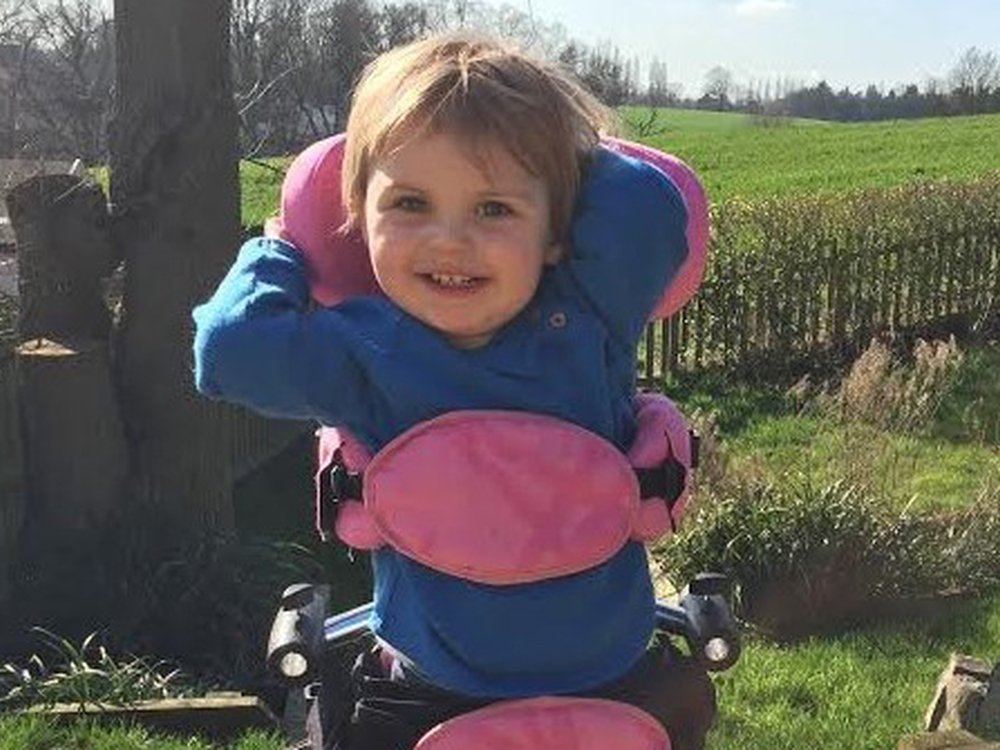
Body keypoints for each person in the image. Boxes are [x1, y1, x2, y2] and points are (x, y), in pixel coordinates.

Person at [193, 31, 714, 750]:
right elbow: (653, 209)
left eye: (494, 209)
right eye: (410, 202)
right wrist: (564, 154)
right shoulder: (591, 316)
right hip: (608, 683)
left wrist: (283, 245)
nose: (450, 240)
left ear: (557, 230)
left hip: (432, 694)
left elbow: (231, 348)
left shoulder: (365, 352)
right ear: (360, 218)